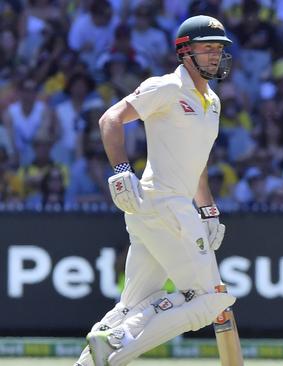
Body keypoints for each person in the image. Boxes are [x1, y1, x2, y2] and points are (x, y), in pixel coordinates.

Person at [75, 15, 236, 366]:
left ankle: (97, 353)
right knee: (210, 300)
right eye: (206, 48)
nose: (214, 55)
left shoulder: (213, 102)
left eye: (219, 49)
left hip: (166, 210)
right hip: (164, 205)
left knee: (132, 304)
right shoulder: (166, 87)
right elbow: (110, 119)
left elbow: (198, 166)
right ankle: (116, 351)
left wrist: (208, 211)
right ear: (185, 52)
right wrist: (120, 172)